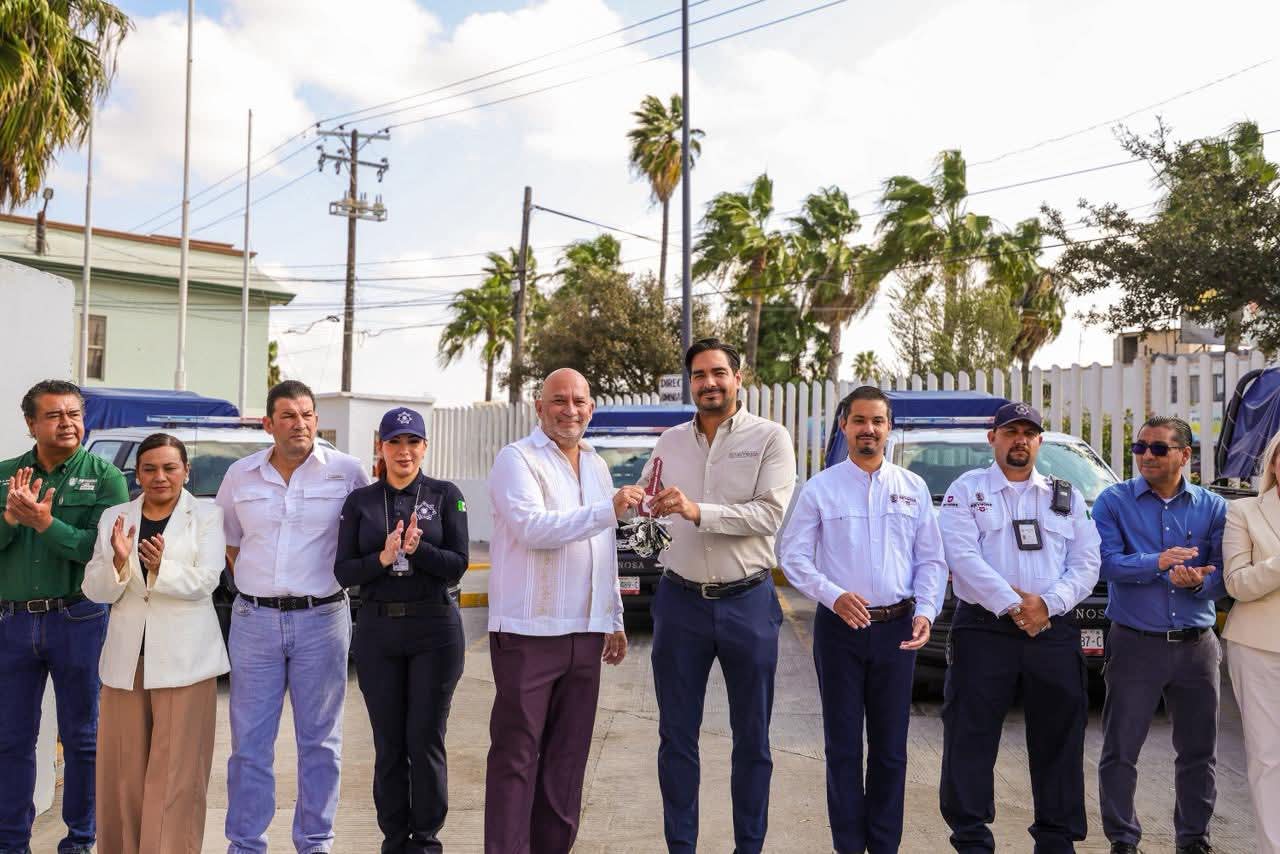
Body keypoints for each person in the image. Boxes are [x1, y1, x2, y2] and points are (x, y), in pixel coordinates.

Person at [643, 338, 797, 854]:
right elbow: (650, 503)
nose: (709, 383)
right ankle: (680, 846)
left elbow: (769, 515)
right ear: (690, 383)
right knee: (676, 737)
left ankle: (748, 847)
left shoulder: (770, 438)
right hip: (679, 602)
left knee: (752, 738)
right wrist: (640, 505)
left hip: (747, 602)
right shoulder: (669, 442)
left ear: (738, 377)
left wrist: (697, 511)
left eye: (718, 373)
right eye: (699, 375)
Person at [778, 386, 946, 854]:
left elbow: (931, 560)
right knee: (843, 747)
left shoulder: (911, 488)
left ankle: (885, 845)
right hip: (840, 631)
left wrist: (926, 611)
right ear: (844, 427)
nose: (868, 429)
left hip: (897, 630)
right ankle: (848, 845)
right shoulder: (821, 488)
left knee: (891, 750)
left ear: (889, 428)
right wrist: (832, 596)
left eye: (877, 421)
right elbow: (792, 556)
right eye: (859, 421)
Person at [484, 368, 644, 854]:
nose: (569, 410)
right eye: (559, 400)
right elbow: (534, 529)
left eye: (578, 401)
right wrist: (608, 509)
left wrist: (613, 618)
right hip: (527, 633)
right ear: (540, 407)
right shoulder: (517, 459)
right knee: (516, 760)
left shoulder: (596, 465)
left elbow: (603, 548)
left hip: (586, 634)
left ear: (591, 408)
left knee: (567, 763)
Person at [215, 380, 371, 854]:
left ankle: (315, 843)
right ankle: (246, 844)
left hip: (322, 618)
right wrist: (261, 587)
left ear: (316, 421)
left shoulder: (347, 472)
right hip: (254, 621)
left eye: (306, 415)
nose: (299, 424)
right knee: (249, 745)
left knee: (321, 743)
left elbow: (367, 534)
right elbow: (230, 543)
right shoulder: (240, 475)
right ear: (269, 424)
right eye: (287, 415)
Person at [937, 402, 1101, 854]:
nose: (1020, 440)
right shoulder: (967, 490)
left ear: (1039, 442)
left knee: (1060, 737)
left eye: (1029, 433)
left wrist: (1048, 605)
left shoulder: (1065, 495)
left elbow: (1087, 561)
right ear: (993, 438)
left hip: (1052, 629)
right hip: (984, 629)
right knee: (970, 735)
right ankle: (971, 838)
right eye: (1011, 432)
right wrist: (1015, 606)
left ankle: (1056, 839)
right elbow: (961, 556)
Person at [82, 433, 230, 854]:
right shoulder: (115, 517)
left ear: (186, 471)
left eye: (170, 468)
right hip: (127, 663)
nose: (160, 476)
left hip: (186, 664)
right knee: (123, 772)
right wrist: (117, 561)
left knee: (177, 775)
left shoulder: (207, 516)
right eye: (150, 468)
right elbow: (94, 589)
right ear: (138, 474)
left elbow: (207, 581)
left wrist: (161, 567)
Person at [0, 379, 129, 854]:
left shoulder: (107, 478)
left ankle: (79, 841)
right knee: (11, 739)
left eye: (74, 414)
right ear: (31, 423)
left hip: (78, 619)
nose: (67, 424)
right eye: (54, 415)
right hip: (11, 623)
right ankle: (10, 843)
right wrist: (10, 520)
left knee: (83, 738)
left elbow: (98, 551)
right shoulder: (5, 476)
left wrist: (44, 523)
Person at [335, 407, 468, 854]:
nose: (404, 451)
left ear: (425, 447)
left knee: (425, 739)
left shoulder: (446, 495)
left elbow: (458, 564)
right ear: (381, 447)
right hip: (378, 631)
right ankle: (393, 840)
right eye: (394, 441)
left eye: (413, 441)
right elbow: (343, 571)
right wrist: (383, 559)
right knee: (389, 742)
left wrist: (419, 549)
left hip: (435, 629)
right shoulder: (361, 502)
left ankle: (426, 841)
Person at [1091, 417, 1226, 854]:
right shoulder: (1113, 502)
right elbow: (1103, 563)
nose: (1146, 455)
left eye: (1158, 448)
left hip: (1197, 647)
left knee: (1199, 752)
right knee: (1120, 750)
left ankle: (1194, 840)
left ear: (1185, 455)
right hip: (1134, 644)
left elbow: (1225, 575)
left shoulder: (1213, 507)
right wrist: (1158, 561)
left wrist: (1199, 583)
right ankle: (1123, 841)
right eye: (1140, 447)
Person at [1221, 429, 1280, 854]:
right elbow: (1237, 584)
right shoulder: (1244, 512)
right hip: (1258, 648)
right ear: (1273, 463)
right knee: (1267, 757)